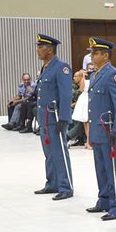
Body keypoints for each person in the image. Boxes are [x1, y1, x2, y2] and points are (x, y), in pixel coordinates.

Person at [84, 38, 116, 221]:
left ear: (105, 55)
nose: (91, 56)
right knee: (101, 168)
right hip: (98, 131)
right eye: (92, 52)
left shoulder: (112, 75)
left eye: (95, 53)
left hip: (110, 132)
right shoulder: (95, 75)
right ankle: (104, 199)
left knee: (113, 170)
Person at [33, 34, 73, 200]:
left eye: (40, 47)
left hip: (56, 118)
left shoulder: (61, 67)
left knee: (59, 152)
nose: (37, 50)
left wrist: (64, 118)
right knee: (49, 153)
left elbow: (65, 94)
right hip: (45, 118)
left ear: (50, 49)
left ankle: (66, 186)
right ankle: (52, 183)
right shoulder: (46, 67)